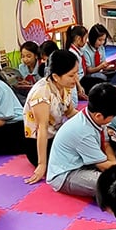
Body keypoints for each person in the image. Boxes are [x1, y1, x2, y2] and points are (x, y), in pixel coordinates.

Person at [47, 84, 116, 197]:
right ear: (99, 115)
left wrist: (114, 166)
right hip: (68, 173)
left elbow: (106, 144)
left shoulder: (95, 117)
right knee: (110, 186)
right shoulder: (83, 131)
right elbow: (102, 165)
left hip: (91, 161)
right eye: (112, 116)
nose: (113, 119)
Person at [24, 49, 79, 184]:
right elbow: (42, 128)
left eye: (76, 73)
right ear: (55, 76)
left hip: (57, 136)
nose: (76, 79)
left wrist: (92, 121)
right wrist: (42, 164)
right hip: (39, 144)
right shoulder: (42, 93)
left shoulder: (64, 86)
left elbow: (70, 112)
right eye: (72, 75)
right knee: (77, 158)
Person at [81, 24, 116, 90]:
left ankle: (109, 86)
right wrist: (100, 67)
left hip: (100, 73)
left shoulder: (101, 48)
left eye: (104, 40)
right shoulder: (85, 50)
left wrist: (114, 67)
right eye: (100, 40)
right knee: (101, 77)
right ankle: (111, 85)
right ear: (93, 38)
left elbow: (104, 67)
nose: (102, 42)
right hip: (90, 77)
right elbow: (88, 70)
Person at [66, 25, 93, 98]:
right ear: (78, 39)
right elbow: (74, 73)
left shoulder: (79, 49)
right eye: (85, 38)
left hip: (83, 77)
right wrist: (79, 87)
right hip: (80, 80)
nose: (86, 41)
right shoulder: (72, 53)